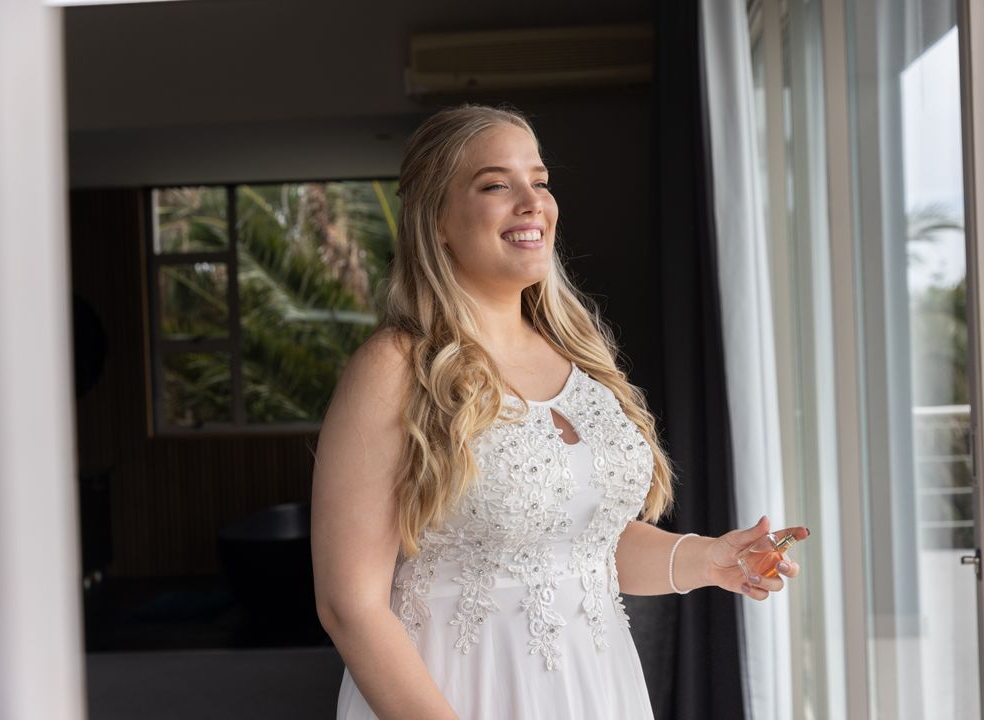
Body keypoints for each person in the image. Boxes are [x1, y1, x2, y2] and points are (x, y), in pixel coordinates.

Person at [310, 104, 801, 720]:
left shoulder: (579, 354)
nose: (531, 201)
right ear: (436, 219)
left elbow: (581, 545)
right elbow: (347, 605)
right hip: (459, 694)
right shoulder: (395, 367)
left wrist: (710, 559)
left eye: (539, 182)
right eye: (495, 184)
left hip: (597, 690)